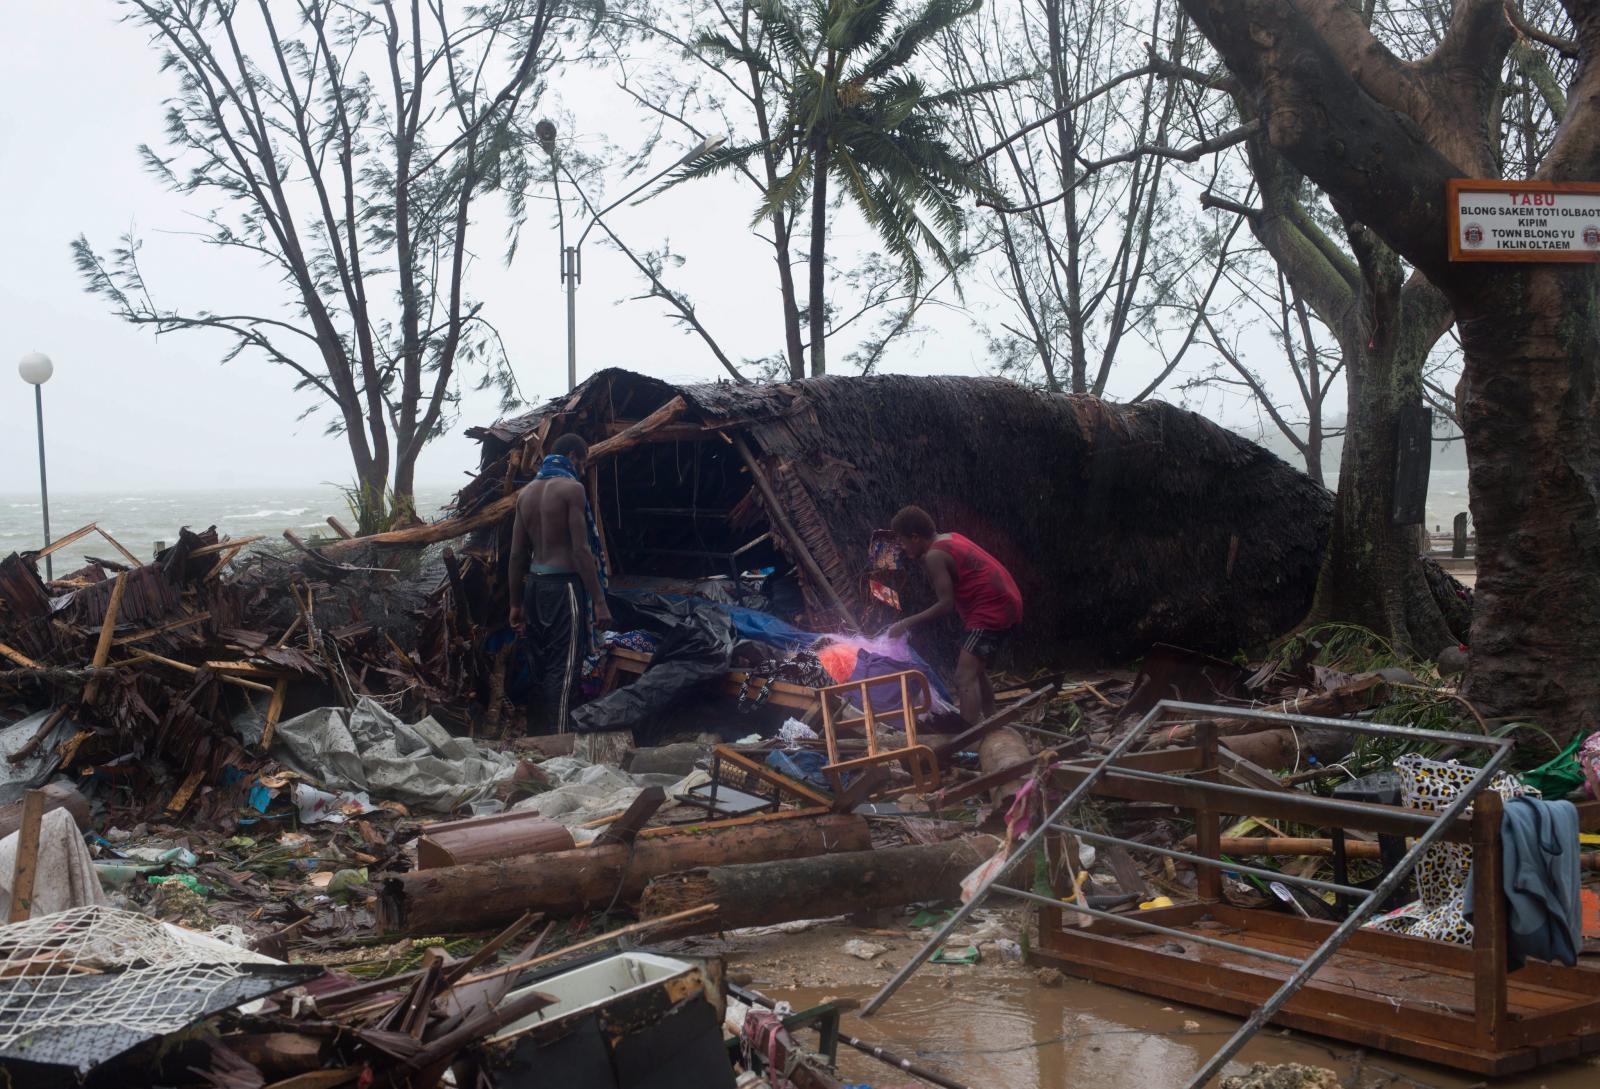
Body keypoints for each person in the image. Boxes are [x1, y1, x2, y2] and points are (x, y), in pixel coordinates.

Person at [508, 434, 612, 733]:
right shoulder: (572, 490)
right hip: (564, 588)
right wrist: (601, 601)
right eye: (584, 462)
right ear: (573, 456)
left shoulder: (525, 494)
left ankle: (536, 737)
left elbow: (517, 556)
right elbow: (581, 551)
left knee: (539, 666)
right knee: (564, 669)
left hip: (533, 587)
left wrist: (515, 604)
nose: (583, 470)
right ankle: (558, 743)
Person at [885, 505, 1022, 725]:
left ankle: (965, 736)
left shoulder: (934, 556)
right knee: (976, 670)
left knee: (962, 677)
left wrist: (905, 623)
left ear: (915, 537)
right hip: (1006, 601)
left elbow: (945, 604)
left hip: (992, 609)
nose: (901, 548)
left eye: (902, 541)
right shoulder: (949, 538)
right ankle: (993, 721)